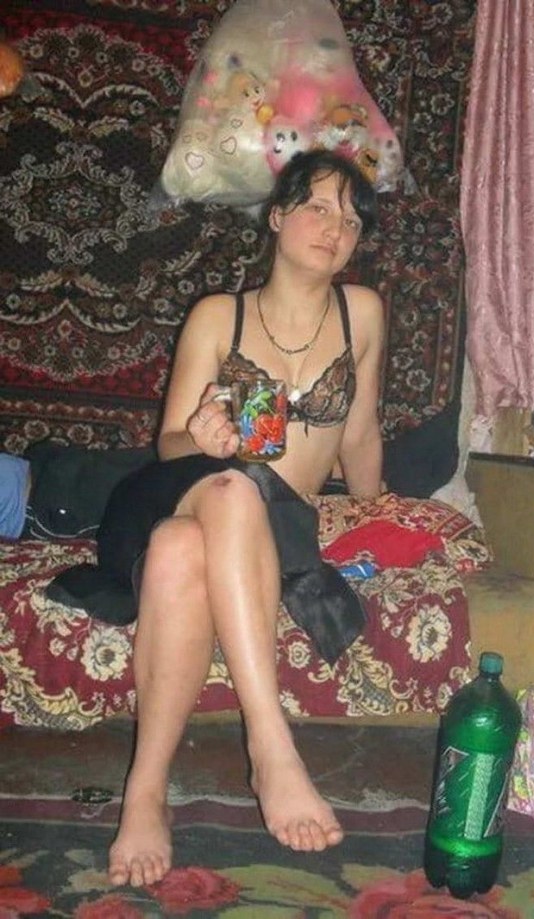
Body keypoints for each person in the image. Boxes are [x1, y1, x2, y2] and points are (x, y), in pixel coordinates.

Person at [107, 150, 384, 887]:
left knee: (178, 550)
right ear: (277, 216)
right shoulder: (217, 316)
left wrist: (376, 513)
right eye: (317, 207)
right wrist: (202, 436)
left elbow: (359, 433)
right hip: (191, 486)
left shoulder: (362, 312)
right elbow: (169, 444)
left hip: (274, 520)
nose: (335, 228)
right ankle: (271, 745)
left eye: (351, 220)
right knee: (230, 490)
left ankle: (145, 791)